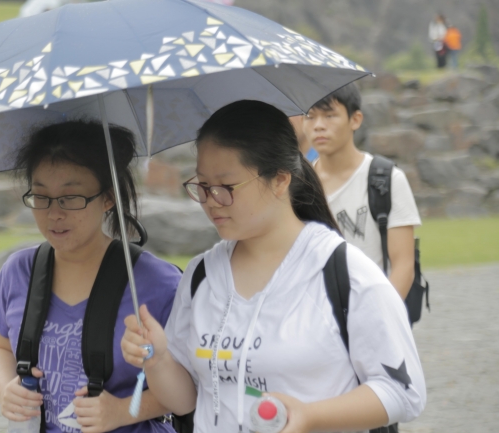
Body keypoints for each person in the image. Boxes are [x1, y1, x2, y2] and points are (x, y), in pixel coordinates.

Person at [121, 100, 426, 433]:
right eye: (203, 186)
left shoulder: (343, 272)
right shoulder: (201, 275)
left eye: (225, 187)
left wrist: (311, 416)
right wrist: (158, 359)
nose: (210, 201)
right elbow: (186, 400)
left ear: (280, 180)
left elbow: (404, 391)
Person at [0, 119, 181, 433]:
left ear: (108, 197)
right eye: (41, 197)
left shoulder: (158, 283)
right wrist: (4, 389)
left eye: (71, 198)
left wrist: (123, 411)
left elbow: (191, 386)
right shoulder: (19, 271)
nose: (54, 213)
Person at [303, 84, 421, 301]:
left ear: (355, 120)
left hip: (371, 307)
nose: (318, 126)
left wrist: (380, 315)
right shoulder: (298, 184)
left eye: (330, 116)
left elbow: (404, 266)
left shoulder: (387, 180)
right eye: (310, 117)